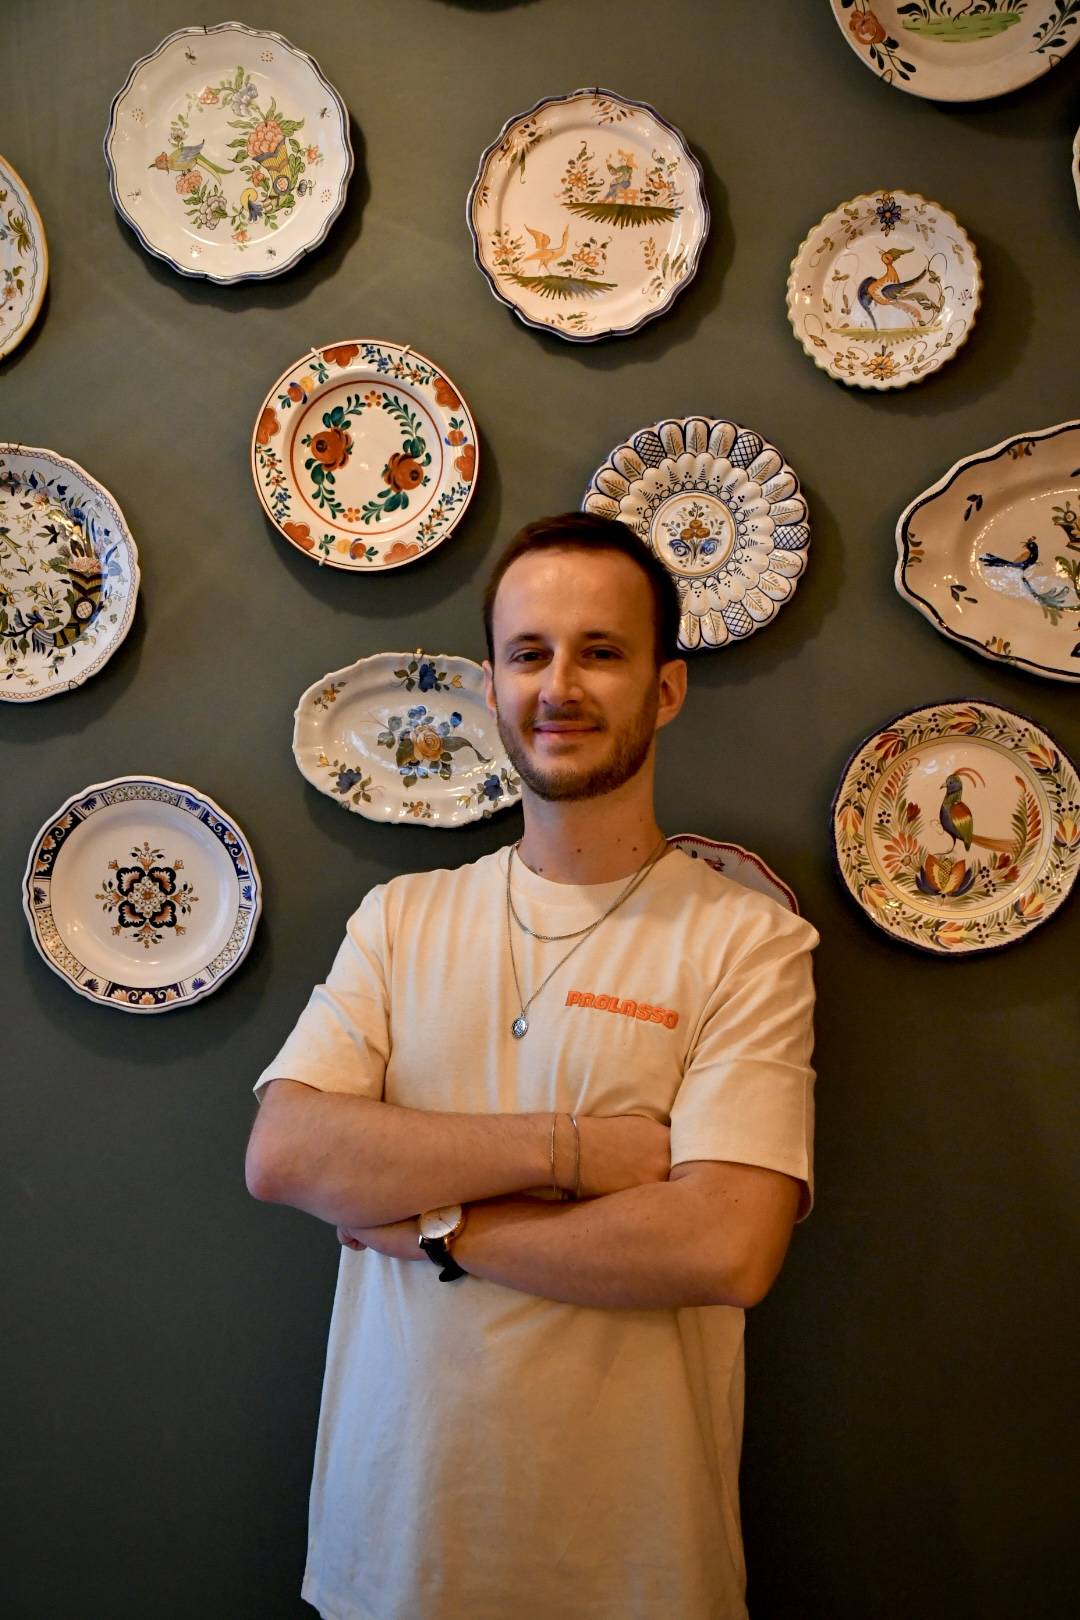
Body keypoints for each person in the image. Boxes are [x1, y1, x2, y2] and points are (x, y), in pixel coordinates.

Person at [245, 512, 819, 1620]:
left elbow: (727, 1243)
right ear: (492, 686)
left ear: (665, 689)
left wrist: (437, 1231)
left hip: (638, 1570)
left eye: (600, 652)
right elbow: (288, 1153)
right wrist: (574, 1154)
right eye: (528, 653)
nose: (559, 686)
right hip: (395, 1556)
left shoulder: (750, 943)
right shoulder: (400, 919)